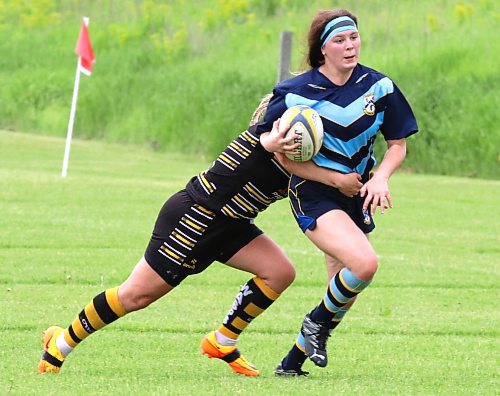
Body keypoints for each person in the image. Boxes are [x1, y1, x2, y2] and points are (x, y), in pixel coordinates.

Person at [37, 96, 362, 377]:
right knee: (136, 296)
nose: (292, 135)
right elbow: (261, 145)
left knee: (280, 272)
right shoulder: (255, 141)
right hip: (193, 218)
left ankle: (223, 341)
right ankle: (61, 343)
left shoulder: (300, 164)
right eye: (283, 123)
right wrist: (270, 140)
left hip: (232, 225)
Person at [254, 9, 419, 376]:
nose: (349, 46)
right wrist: (334, 179)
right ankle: (312, 325)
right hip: (315, 194)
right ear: (322, 49)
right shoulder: (294, 94)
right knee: (365, 264)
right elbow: (279, 156)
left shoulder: (379, 87)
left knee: (341, 292)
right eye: (339, 40)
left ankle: (291, 364)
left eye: (354, 38)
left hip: (357, 194)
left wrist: (381, 179)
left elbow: (397, 144)